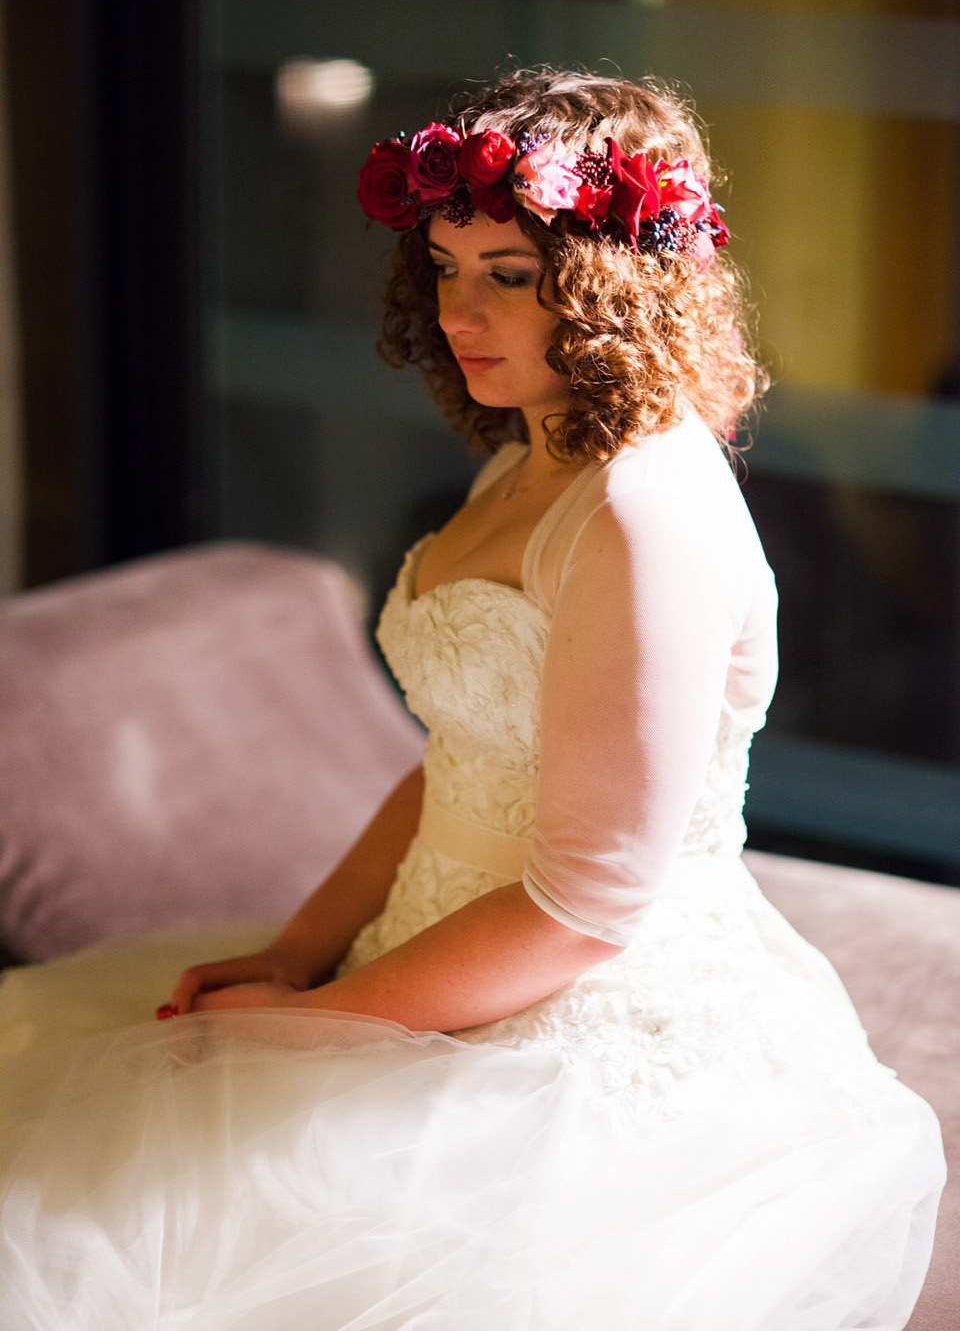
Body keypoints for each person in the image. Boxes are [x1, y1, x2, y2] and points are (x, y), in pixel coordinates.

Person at [0, 69, 945, 1330]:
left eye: (507, 272)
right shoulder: (530, 453)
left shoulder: (639, 511)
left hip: (563, 1018)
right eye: (444, 268)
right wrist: (298, 949)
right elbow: (461, 754)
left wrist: (321, 1023)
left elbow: (589, 905)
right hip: (435, 953)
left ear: (617, 278)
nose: (459, 311)